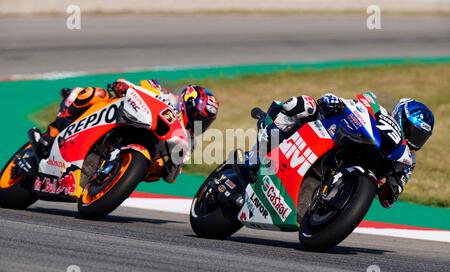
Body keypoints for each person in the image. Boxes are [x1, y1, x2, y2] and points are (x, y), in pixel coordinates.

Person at [16, 79, 219, 183]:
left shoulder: (188, 140)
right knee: (94, 93)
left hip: (140, 150)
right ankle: (48, 137)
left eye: (204, 121)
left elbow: (171, 178)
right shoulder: (166, 97)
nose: (197, 122)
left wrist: (170, 166)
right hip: (118, 118)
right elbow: (137, 88)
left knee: (157, 167)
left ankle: (112, 176)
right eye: (197, 115)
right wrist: (123, 85)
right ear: (185, 103)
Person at [257, 93, 434, 208]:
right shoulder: (379, 112)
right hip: (333, 133)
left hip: (354, 170)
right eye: (413, 132)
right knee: (304, 104)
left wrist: (391, 183)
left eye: (419, 137)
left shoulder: (406, 161)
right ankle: (266, 142)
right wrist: (335, 102)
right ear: (401, 116)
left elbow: (388, 200)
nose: (413, 140)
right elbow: (351, 104)